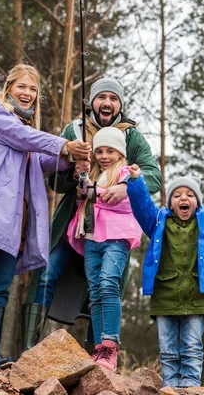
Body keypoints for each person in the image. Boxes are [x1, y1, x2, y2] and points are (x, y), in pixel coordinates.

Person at [0, 64, 91, 370]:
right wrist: (65, 145)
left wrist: (71, 160)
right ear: (8, 87)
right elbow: (23, 137)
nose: (27, 94)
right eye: (22, 87)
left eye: (33, 90)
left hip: (9, 223)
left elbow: (39, 157)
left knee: (0, 287)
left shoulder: (23, 132)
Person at [22, 78, 162, 351]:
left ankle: (98, 355)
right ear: (92, 102)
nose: (107, 103)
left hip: (111, 230)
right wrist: (72, 173)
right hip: (72, 225)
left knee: (104, 285)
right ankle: (29, 350)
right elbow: (56, 181)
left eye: (113, 98)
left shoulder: (132, 137)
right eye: (101, 97)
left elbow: (153, 175)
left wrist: (126, 187)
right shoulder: (74, 131)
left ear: (120, 104)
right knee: (46, 273)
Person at [126, 162, 204, 388]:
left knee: (192, 346)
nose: (183, 198)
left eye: (189, 195)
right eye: (177, 195)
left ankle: (190, 386)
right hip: (165, 293)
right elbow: (143, 207)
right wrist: (136, 181)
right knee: (167, 348)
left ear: (197, 202)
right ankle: (171, 386)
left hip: (199, 294)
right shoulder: (158, 222)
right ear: (170, 204)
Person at [66, 127, 143, 371]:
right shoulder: (94, 173)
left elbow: (119, 200)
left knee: (109, 284)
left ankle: (111, 346)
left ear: (120, 152)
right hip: (92, 238)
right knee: (96, 290)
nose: (104, 155)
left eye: (110, 150)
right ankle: (99, 349)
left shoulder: (124, 173)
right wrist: (83, 186)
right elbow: (85, 201)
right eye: (99, 151)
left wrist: (93, 191)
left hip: (116, 237)